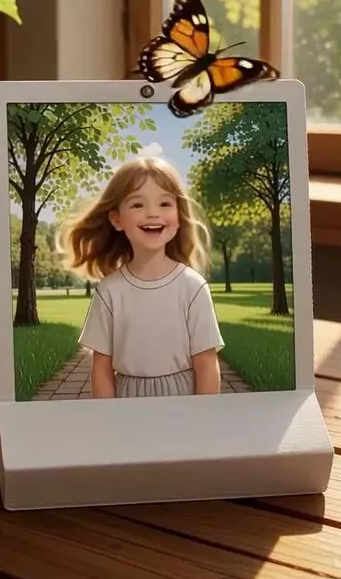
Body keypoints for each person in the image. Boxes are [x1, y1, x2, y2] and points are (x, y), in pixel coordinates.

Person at [56, 157, 224, 398]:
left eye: (165, 203)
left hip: (183, 403)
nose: (152, 214)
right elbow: (101, 368)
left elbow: (207, 364)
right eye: (137, 205)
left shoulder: (193, 287)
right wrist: (110, 422)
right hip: (128, 402)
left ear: (179, 216)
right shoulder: (109, 291)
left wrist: (203, 420)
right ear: (116, 219)